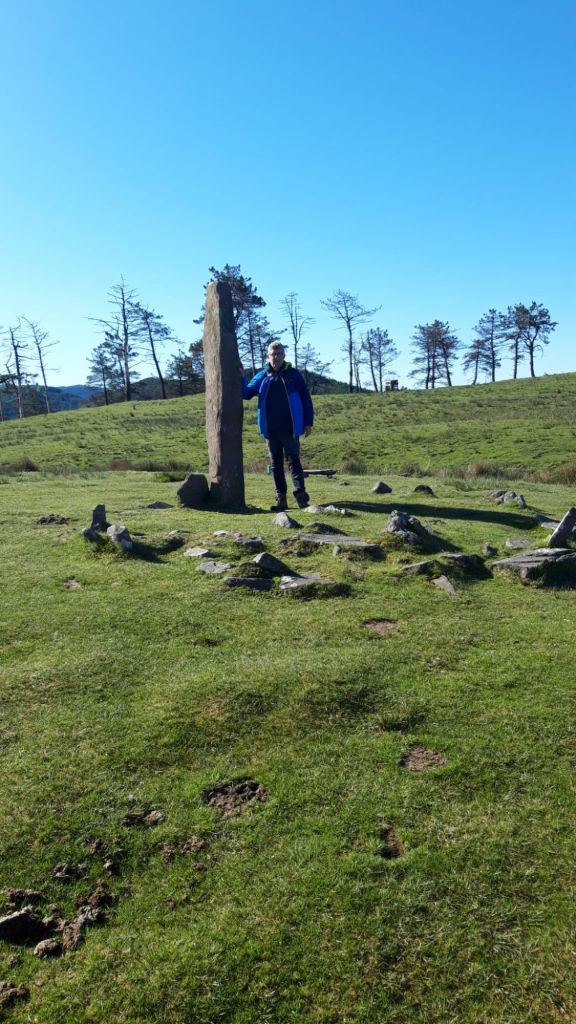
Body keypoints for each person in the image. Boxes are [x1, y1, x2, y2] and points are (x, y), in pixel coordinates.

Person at [241, 341, 314, 511]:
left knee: (294, 462)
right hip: (270, 429)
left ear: (284, 356)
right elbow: (246, 393)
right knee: (275, 464)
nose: (276, 357)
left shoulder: (293, 374)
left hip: (290, 428)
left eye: (279, 353)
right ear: (268, 356)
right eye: (272, 354)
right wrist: (240, 377)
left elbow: (305, 398)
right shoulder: (263, 375)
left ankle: (301, 497)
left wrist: (308, 422)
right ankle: (281, 500)